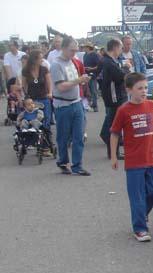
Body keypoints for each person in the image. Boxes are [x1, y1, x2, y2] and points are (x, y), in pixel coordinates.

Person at [110, 72, 153, 242]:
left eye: (145, 87)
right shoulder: (123, 110)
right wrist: (114, 156)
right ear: (129, 90)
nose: (144, 91)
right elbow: (114, 134)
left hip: (151, 158)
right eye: (139, 88)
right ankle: (140, 229)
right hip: (134, 161)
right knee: (137, 197)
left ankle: (141, 214)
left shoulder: (151, 106)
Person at [50, 36, 91, 175]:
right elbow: (61, 86)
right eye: (72, 50)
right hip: (63, 105)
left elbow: (73, 81)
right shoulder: (56, 64)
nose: (74, 53)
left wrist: (81, 81)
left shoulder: (72, 61)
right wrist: (79, 80)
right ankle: (63, 161)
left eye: (76, 50)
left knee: (79, 136)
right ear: (63, 48)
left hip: (76, 102)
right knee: (63, 137)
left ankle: (77, 165)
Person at [100, 38, 129, 159]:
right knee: (114, 125)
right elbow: (120, 76)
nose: (121, 50)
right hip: (114, 98)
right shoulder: (109, 62)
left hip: (114, 96)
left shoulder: (110, 61)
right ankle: (113, 153)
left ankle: (113, 149)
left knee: (112, 123)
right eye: (121, 48)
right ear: (115, 47)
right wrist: (126, 68)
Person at [21, 49, 52, 149]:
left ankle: (46, 144)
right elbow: (24, 85)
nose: (42, 60)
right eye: (40, 58)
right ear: (34, 60)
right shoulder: (26, 70)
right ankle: (34, 141)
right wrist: (25, 97)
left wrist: (50, 93)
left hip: (44, 98)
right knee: (33, 120)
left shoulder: (44, 69)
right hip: (32, 100)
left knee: (46, 120)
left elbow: (49, 82)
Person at [82, 43, 100, 112]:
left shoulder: (94, 55)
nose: (84, 48)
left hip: (92, 75)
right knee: (86, 91)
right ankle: (87, 105)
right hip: (86, 75)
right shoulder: (85, 55)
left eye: (85, 47)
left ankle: (95, 106)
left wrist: (91, 68)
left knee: (93, 91)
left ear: (88, 47)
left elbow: (99, 65)